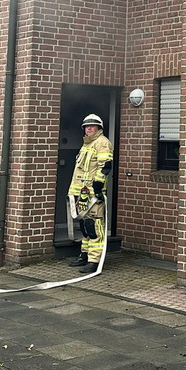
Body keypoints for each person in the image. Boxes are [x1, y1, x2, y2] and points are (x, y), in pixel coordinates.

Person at [67, 113, 112, 274]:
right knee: (84, 226)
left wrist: (98, 187)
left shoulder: (102, 143)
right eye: (86, 126)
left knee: (94, 227)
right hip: (82, 193)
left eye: (92, 126)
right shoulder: (86, 144)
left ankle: (94, 261)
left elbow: (105, 166)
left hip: (94, 195)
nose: (89, 129)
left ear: (99, 128)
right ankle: (84, 255)